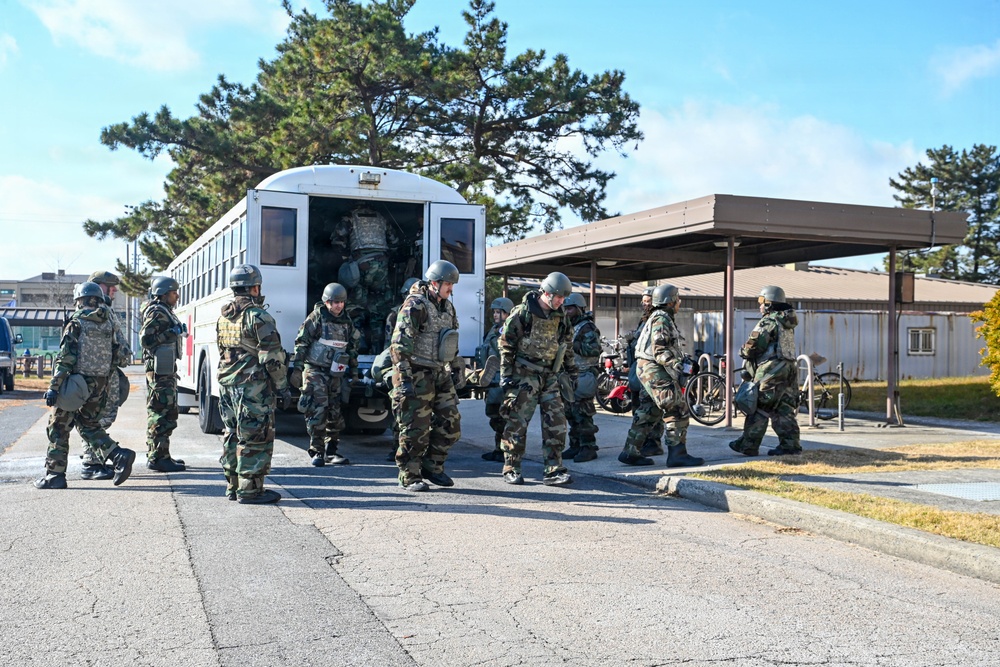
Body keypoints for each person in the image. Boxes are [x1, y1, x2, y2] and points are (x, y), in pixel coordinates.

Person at [34, 282, 137, 489]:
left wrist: (54, 387)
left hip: (75, 383)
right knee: (88, 424)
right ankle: (118, 455)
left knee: (58, 427)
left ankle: (55, 475)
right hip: (101, 383)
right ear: (99, 299)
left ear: (79, 300)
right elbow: (121, 354)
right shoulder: (109, 322)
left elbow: (65, 358)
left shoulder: (77, 322)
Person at [216, 264, 292, 504]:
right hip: (252, 387)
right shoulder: (258, 316)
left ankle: (233, 485)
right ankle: (250, 491)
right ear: (254, 287)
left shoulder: (224, 317)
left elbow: (223, 350)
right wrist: (282, 387)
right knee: (255, 436)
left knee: (231, 434)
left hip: (227, 385)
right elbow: (272, 357)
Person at [390, 260, 463, 492]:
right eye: (448, 284)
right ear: (434, 283)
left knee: (451, 424)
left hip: (440, 372)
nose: (451, 289)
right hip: (416, 372)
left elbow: (451, 340)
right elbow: (399, 346)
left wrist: (458, 367)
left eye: (452, 285)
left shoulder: (448, 308)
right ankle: (409, 475)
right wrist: (404, 380)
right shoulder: (415, 306)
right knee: (415, 428)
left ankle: (433, 466)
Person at [497, 271, 576, 486]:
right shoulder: (523, 313)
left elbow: (566, 345)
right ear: (546, 293)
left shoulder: (561, 316)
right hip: (525, 375)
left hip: (550, 376)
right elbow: (506, 345)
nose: (561, 301)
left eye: (563, 298)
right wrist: (506, 376)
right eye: (558, 297)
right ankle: (511, 467)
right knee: (518, 422)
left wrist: (571, 372)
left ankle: (553, 469)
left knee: (556, 423)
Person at [618, 284, 703, 468]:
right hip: (655, 370)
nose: (679, 302)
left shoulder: (656, 318)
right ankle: (677, 454)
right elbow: (660, 349)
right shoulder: (662, 319)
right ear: (671, 302)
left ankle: (630, 452)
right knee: (677, 409)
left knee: (649, 411)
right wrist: (678, 365)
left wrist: (684, 360)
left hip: (647, 370)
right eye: (678, 299)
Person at [291, 282, 359, 467]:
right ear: (327, 302)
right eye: (335, 302)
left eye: (341, 302)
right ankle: (317, 450)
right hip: (315, 369)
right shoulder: (316, 318)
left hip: (335, 372)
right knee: (317, 410)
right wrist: (298, 368)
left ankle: (332, 450)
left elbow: (351, 348)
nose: (339, 306)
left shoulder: (346, 322)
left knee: (335, 411)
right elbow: (302, 342)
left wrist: (353, 372)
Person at [729, 285, 802, 457]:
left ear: (770, 304)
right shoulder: (788, 321)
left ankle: (748, 444)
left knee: (759, 405)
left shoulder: (769, 321)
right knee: (783, 407)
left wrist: (743, 351)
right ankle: (790, 445)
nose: (760, 305)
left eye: (762, 301)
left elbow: (754, 345)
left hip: (771, 369)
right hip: (789, 368)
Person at [139, 276, 186, 473]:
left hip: (165, 369)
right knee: (161, 413)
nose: (177, 296)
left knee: (166, 412)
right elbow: (146, 339)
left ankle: (161, 454)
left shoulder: (165, 311)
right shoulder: (157, 311)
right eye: (174, 293)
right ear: (164, 294)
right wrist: (171, 333)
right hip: (159, 372)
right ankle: (157, 457)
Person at [561, 292, 602, 463]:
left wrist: (573, 345)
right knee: (571, 412)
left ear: (579, 308)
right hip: (570, 375)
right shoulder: (567, 327)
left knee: (583, 414)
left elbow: (594, 350)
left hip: (584, 374)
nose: (566, 312)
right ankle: (575, 445)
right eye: (565, 308)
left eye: (570, 308)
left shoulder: (587, 328)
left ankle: (588, 447)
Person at [477, 296, 514, 462]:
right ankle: (499, 449)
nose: (495, 315)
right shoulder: (494, 329)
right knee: (494, 416)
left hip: (504, 380)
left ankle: (507, 452)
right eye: (494, 312)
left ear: (507, 313)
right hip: (492, 380)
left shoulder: (510, 330)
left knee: (505, 417)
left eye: (498, 312)